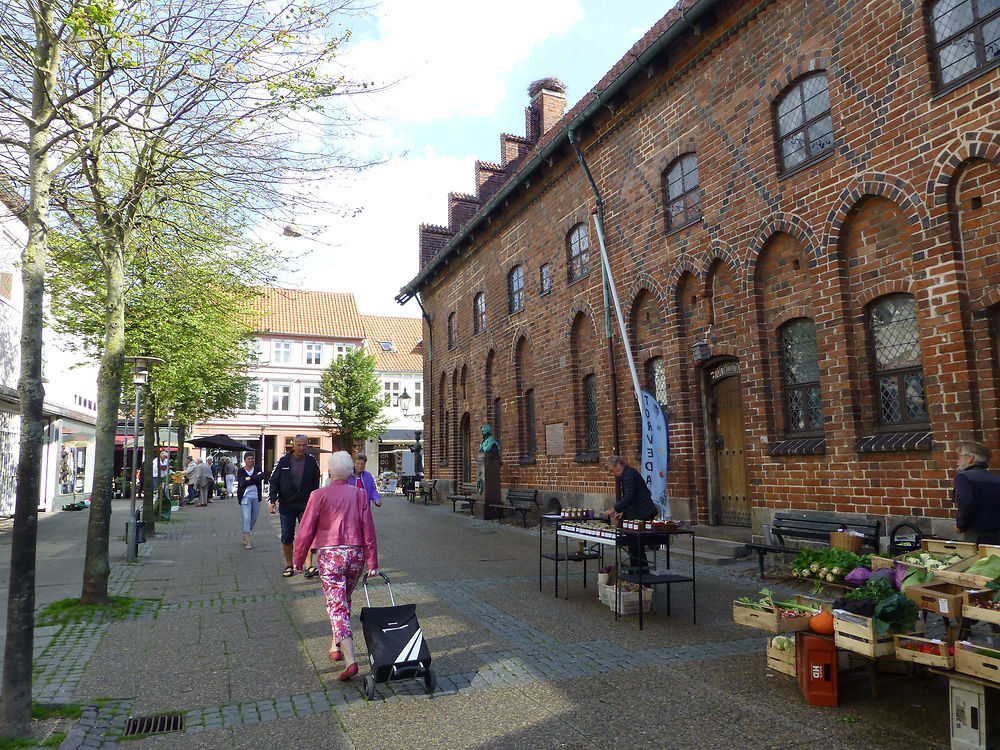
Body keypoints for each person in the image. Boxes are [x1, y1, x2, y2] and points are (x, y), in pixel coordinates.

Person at [294, 450, 378, 682]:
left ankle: (351, 661)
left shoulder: (318, 495)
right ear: (351, 472)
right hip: (355, 555)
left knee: (336, 605)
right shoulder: (360, 495)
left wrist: (298, 559)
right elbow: (368, 530)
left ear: (329, 472)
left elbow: (306, 529)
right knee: (344, 599)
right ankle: (335, 644)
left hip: (330, 555)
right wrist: (372, 562)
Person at [268, 435, 321, 578]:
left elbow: (317, 483)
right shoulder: (283, 461)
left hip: (306, 504)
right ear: (293, 445)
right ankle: (289, 565)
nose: (302, 448)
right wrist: (272, 501)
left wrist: (317, 502)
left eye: (304, 445)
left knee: (307, 535)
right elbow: (273, 481)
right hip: (287, 504)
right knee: (287, 536)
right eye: (299, 445)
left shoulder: (311, 461)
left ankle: (309, 566)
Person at [602, 455, 657, 572]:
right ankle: (637, 575)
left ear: (618, 464)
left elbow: (629, 497)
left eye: (612, 470)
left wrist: (613, 509)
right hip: (638, 512)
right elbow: (633, 497)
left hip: (643, 513)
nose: (612, 474)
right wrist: (624, 511)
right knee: (635, 548)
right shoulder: (627, 474)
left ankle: (641, 576)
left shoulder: (629, 475)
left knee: (636, 547)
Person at [955, 441, 1000, 544]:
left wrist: (960, 525)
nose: (957, 461)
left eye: (959, 457)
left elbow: (967, 501)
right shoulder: (996, 479)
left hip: (976, 534)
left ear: (970, 459)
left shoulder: (963, 477)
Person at [236, 452, 266, 549]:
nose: (250, 461)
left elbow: (261, 477)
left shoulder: (258, 469)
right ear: (244, 460)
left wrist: (249, 478)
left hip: (256, 497)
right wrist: (254, 479)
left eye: (252, 459)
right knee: (247, 518)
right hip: (245, 497)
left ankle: (246, 532)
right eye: (248, 459)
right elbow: (242, 482)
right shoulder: (241, 471)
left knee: (254, 518)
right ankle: (247, 540)